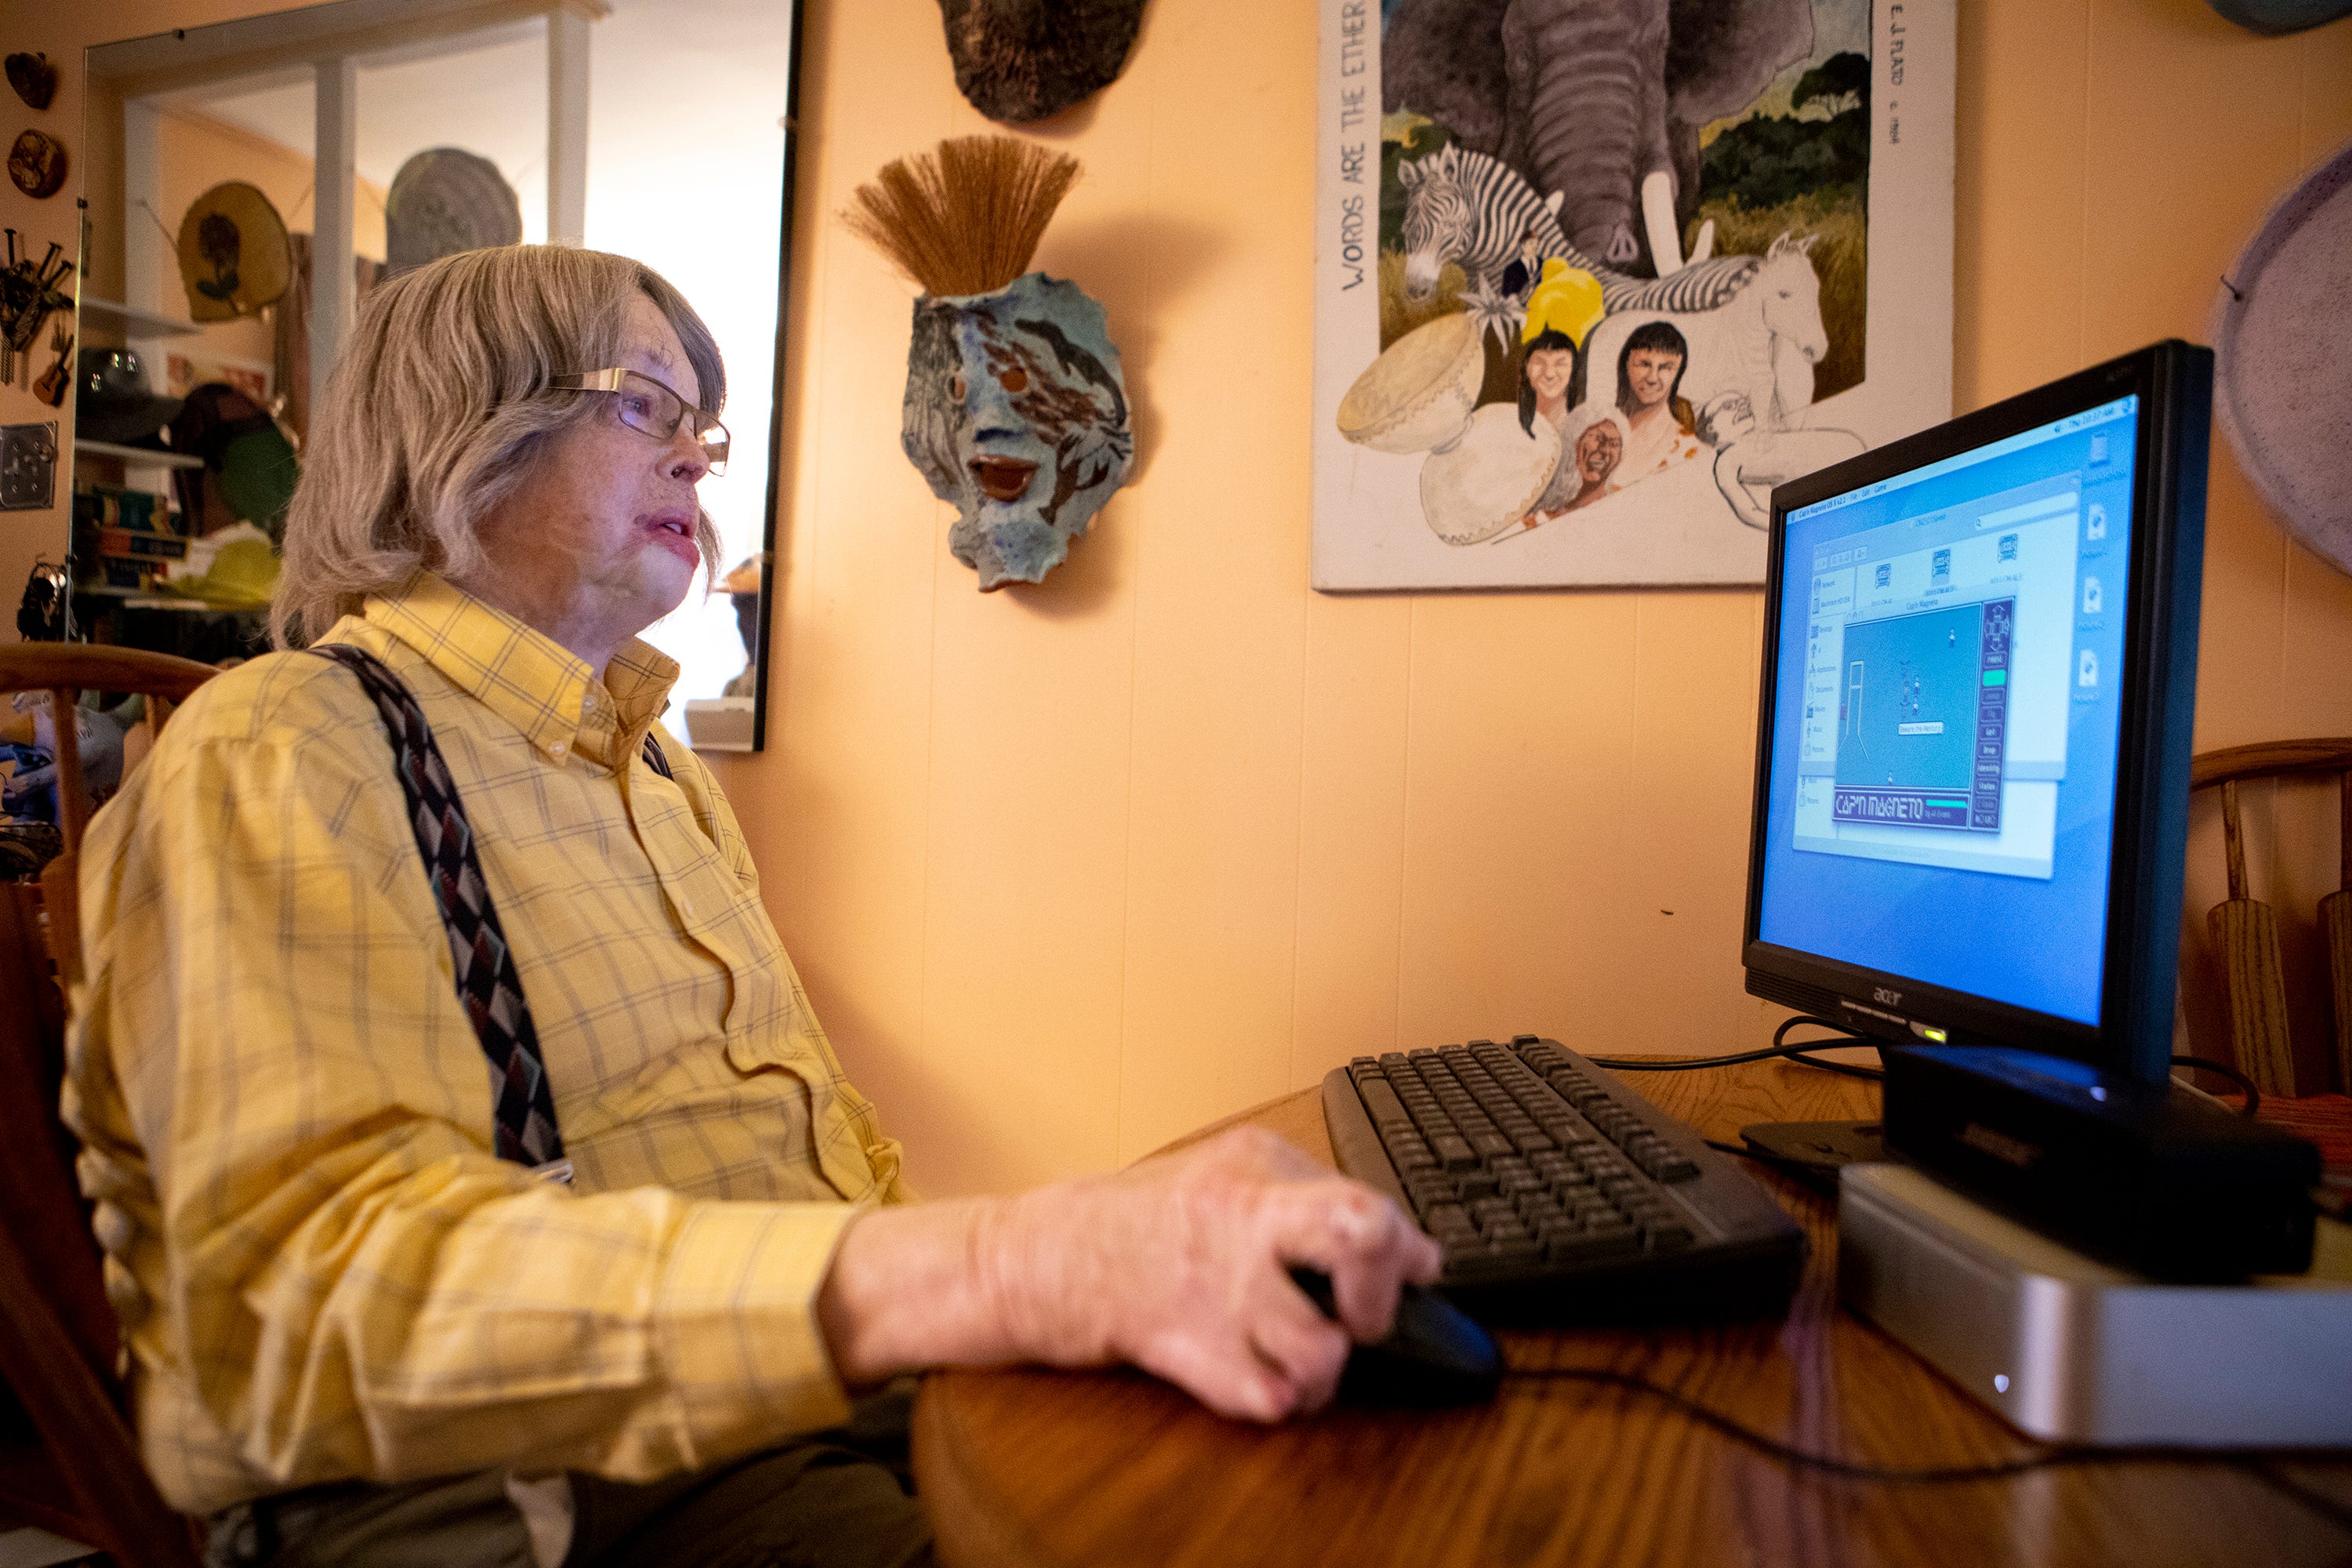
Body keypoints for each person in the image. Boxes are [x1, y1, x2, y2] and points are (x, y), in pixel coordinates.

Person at [62, 245, 1439, 1568]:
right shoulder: (285, 746)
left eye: (702, 424)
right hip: (556, 1510)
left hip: (809, 1427)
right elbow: (301, 1303)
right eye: (645, 405)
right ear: (456, 435)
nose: (696, 455)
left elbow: (809, 1160)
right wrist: (1014, 1270)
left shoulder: (654, 766)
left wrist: (1049, 1290)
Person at [1607, 319, 1704, 492]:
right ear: (1626, 366)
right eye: (1644, 364)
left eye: (1666, 367)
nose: (1652, 378)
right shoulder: (1598, 432)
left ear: (1678, 374)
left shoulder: (1691, 452)